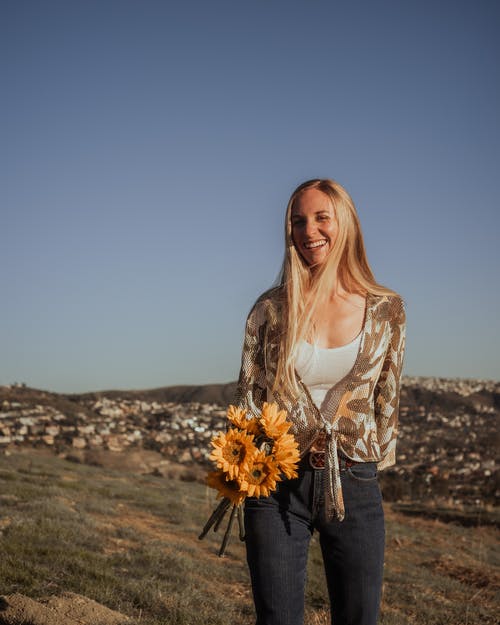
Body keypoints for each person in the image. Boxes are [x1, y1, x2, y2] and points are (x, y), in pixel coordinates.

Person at [234, 179, 406, 625]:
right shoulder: (268, 310)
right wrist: (242, 470)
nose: (309, 230)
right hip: (275, 485)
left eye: (321, 217)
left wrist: (370, 461)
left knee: (358, 618)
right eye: (298, 221)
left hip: (354, 483)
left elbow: (388, 396)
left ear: (344, 222)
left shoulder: (387, 310)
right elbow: (249, 396)